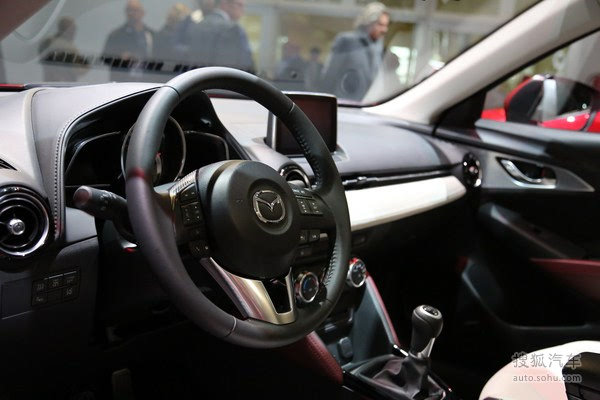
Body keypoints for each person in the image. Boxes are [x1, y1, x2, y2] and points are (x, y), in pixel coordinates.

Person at [321, 2, 389, 101]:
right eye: (380, 25)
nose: (385, 30)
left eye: (386, 26)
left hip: (367, 105)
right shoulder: (346, 41)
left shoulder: (378, 49)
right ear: (369, 23)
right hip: (345, 104)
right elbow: (330, 76)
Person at [187, 0, 254, 73]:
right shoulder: (233, 29)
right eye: (240, 5)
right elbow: (246, 65)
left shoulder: (195, 26)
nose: (243, 10)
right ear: (224, 3)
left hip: (196, 77)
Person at [102, 0, 154, 81]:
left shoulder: (151, 34)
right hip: (123, 82)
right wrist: (120, 58)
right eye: (129, 10)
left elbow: (159, 56)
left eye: (135, 10)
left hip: (148, 83)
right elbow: (105, 58)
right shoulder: (116, 36)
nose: (132, 13)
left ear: (142, 12)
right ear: (126, 13)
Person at [38, 17, 88, 82]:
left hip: (49, 82)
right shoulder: (66, 47)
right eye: (72, 30)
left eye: (75, 30)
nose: (74, 33)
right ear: (66, 30)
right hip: (63, 83)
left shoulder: (48, 42)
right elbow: (78, 69)